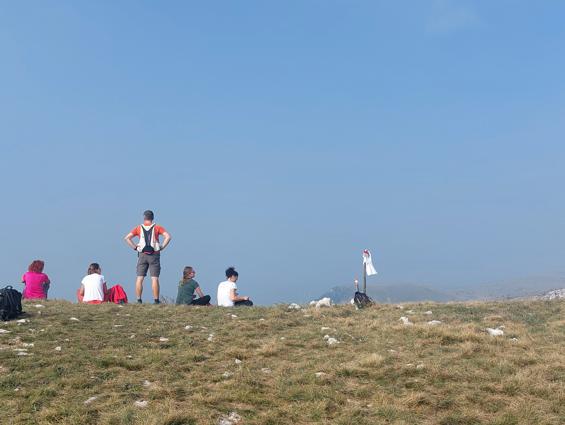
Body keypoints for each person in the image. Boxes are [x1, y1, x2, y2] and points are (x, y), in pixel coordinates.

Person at [124, 210, 171, 304]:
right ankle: (156, 300)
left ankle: (138, 300)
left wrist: (135, 247)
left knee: (140, 278)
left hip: (142, 254)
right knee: (154, 278)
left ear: (144, 217)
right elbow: (168, 237)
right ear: (152, 218)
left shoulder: (138, 228)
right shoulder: (157, 227)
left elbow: (127, 238)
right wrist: (162, 247)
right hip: (154, 254)